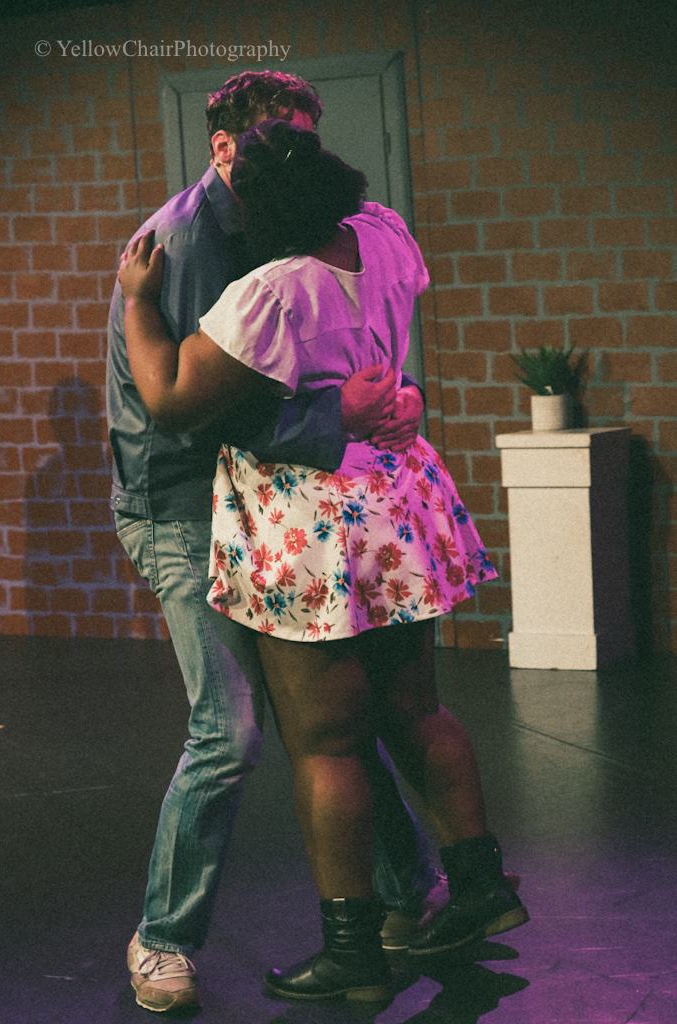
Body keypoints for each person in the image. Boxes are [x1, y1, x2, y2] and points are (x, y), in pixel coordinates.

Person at [118, 119, 529, 1004]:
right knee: (417, 709)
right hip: (391, 496)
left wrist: (139, 304)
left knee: (326, 743)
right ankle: (479, 886)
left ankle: (352, 954)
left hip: (309, 521)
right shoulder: (383, 234)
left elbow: (172, 398)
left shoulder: (269, 293)